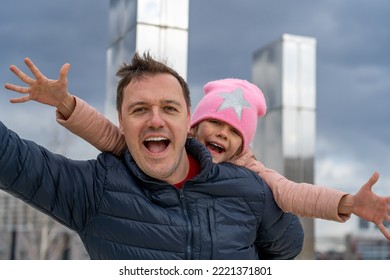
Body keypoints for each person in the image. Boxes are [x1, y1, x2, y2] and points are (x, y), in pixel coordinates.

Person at [6, 58, 390, 240]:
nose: (221, 134)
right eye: (215, 123)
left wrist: (347, 204)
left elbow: (293, 194)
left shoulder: (252, 176)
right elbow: (108, 134)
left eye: (232, 130)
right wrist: (67, 104)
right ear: (195, 123)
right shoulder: (147, 156)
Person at [0, 53, 304, 260]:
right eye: (140, 109)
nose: (155, 121)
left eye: (169, 108)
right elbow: (10, 157)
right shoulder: (95, 189)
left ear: (188, 122)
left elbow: (288, 248)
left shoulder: (250, 189)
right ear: (122, 121)